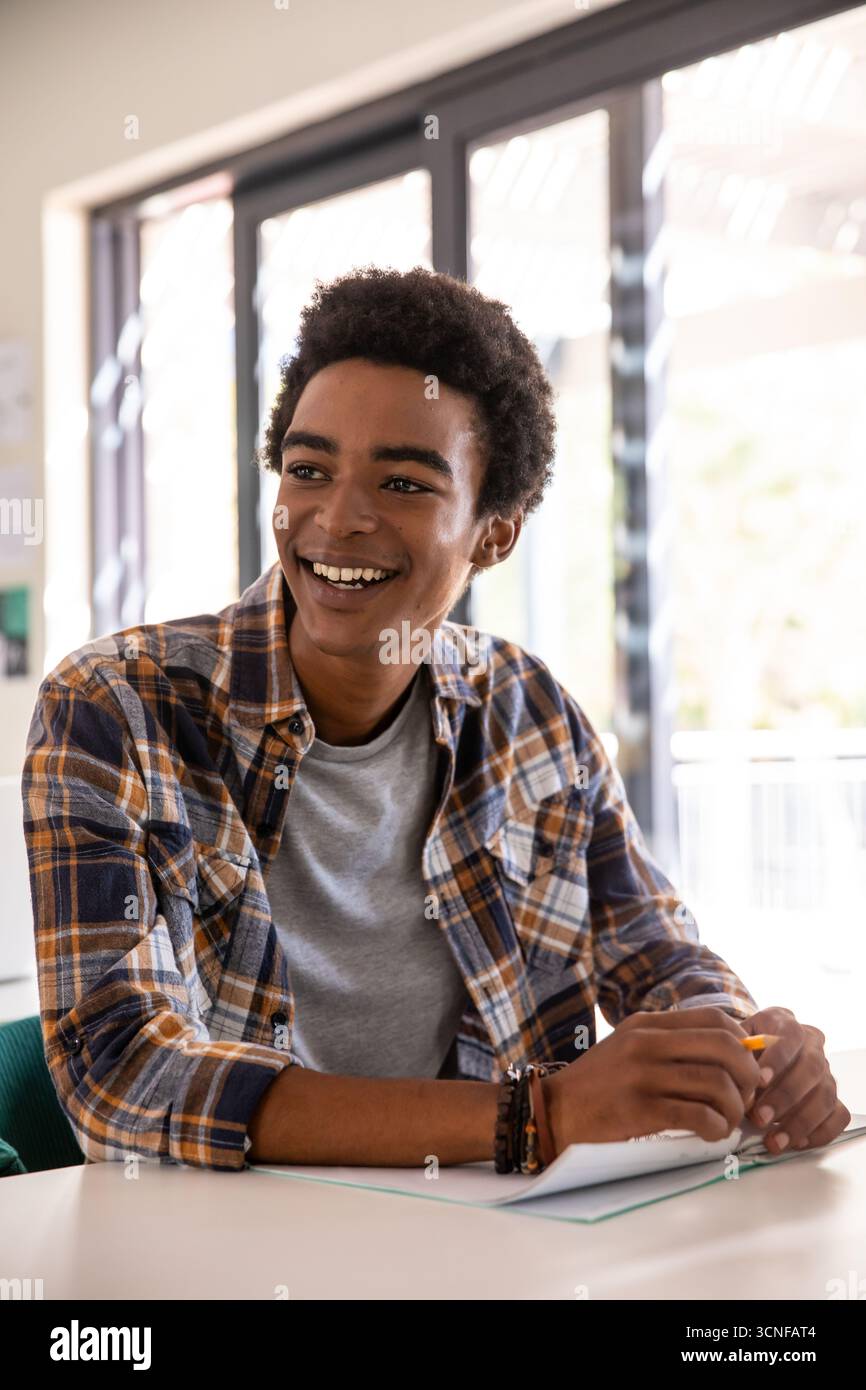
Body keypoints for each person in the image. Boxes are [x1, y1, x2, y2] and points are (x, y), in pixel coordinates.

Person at [21, 265, 849, 1173]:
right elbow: (124, 1078)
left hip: (486, 1238)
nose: (337, 521)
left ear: (495, 533)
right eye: (308, 470)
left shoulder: (528, 711)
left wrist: (746, 1051)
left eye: (406, 485)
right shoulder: (116, 707)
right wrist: (536, 1116)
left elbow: (654, 954)